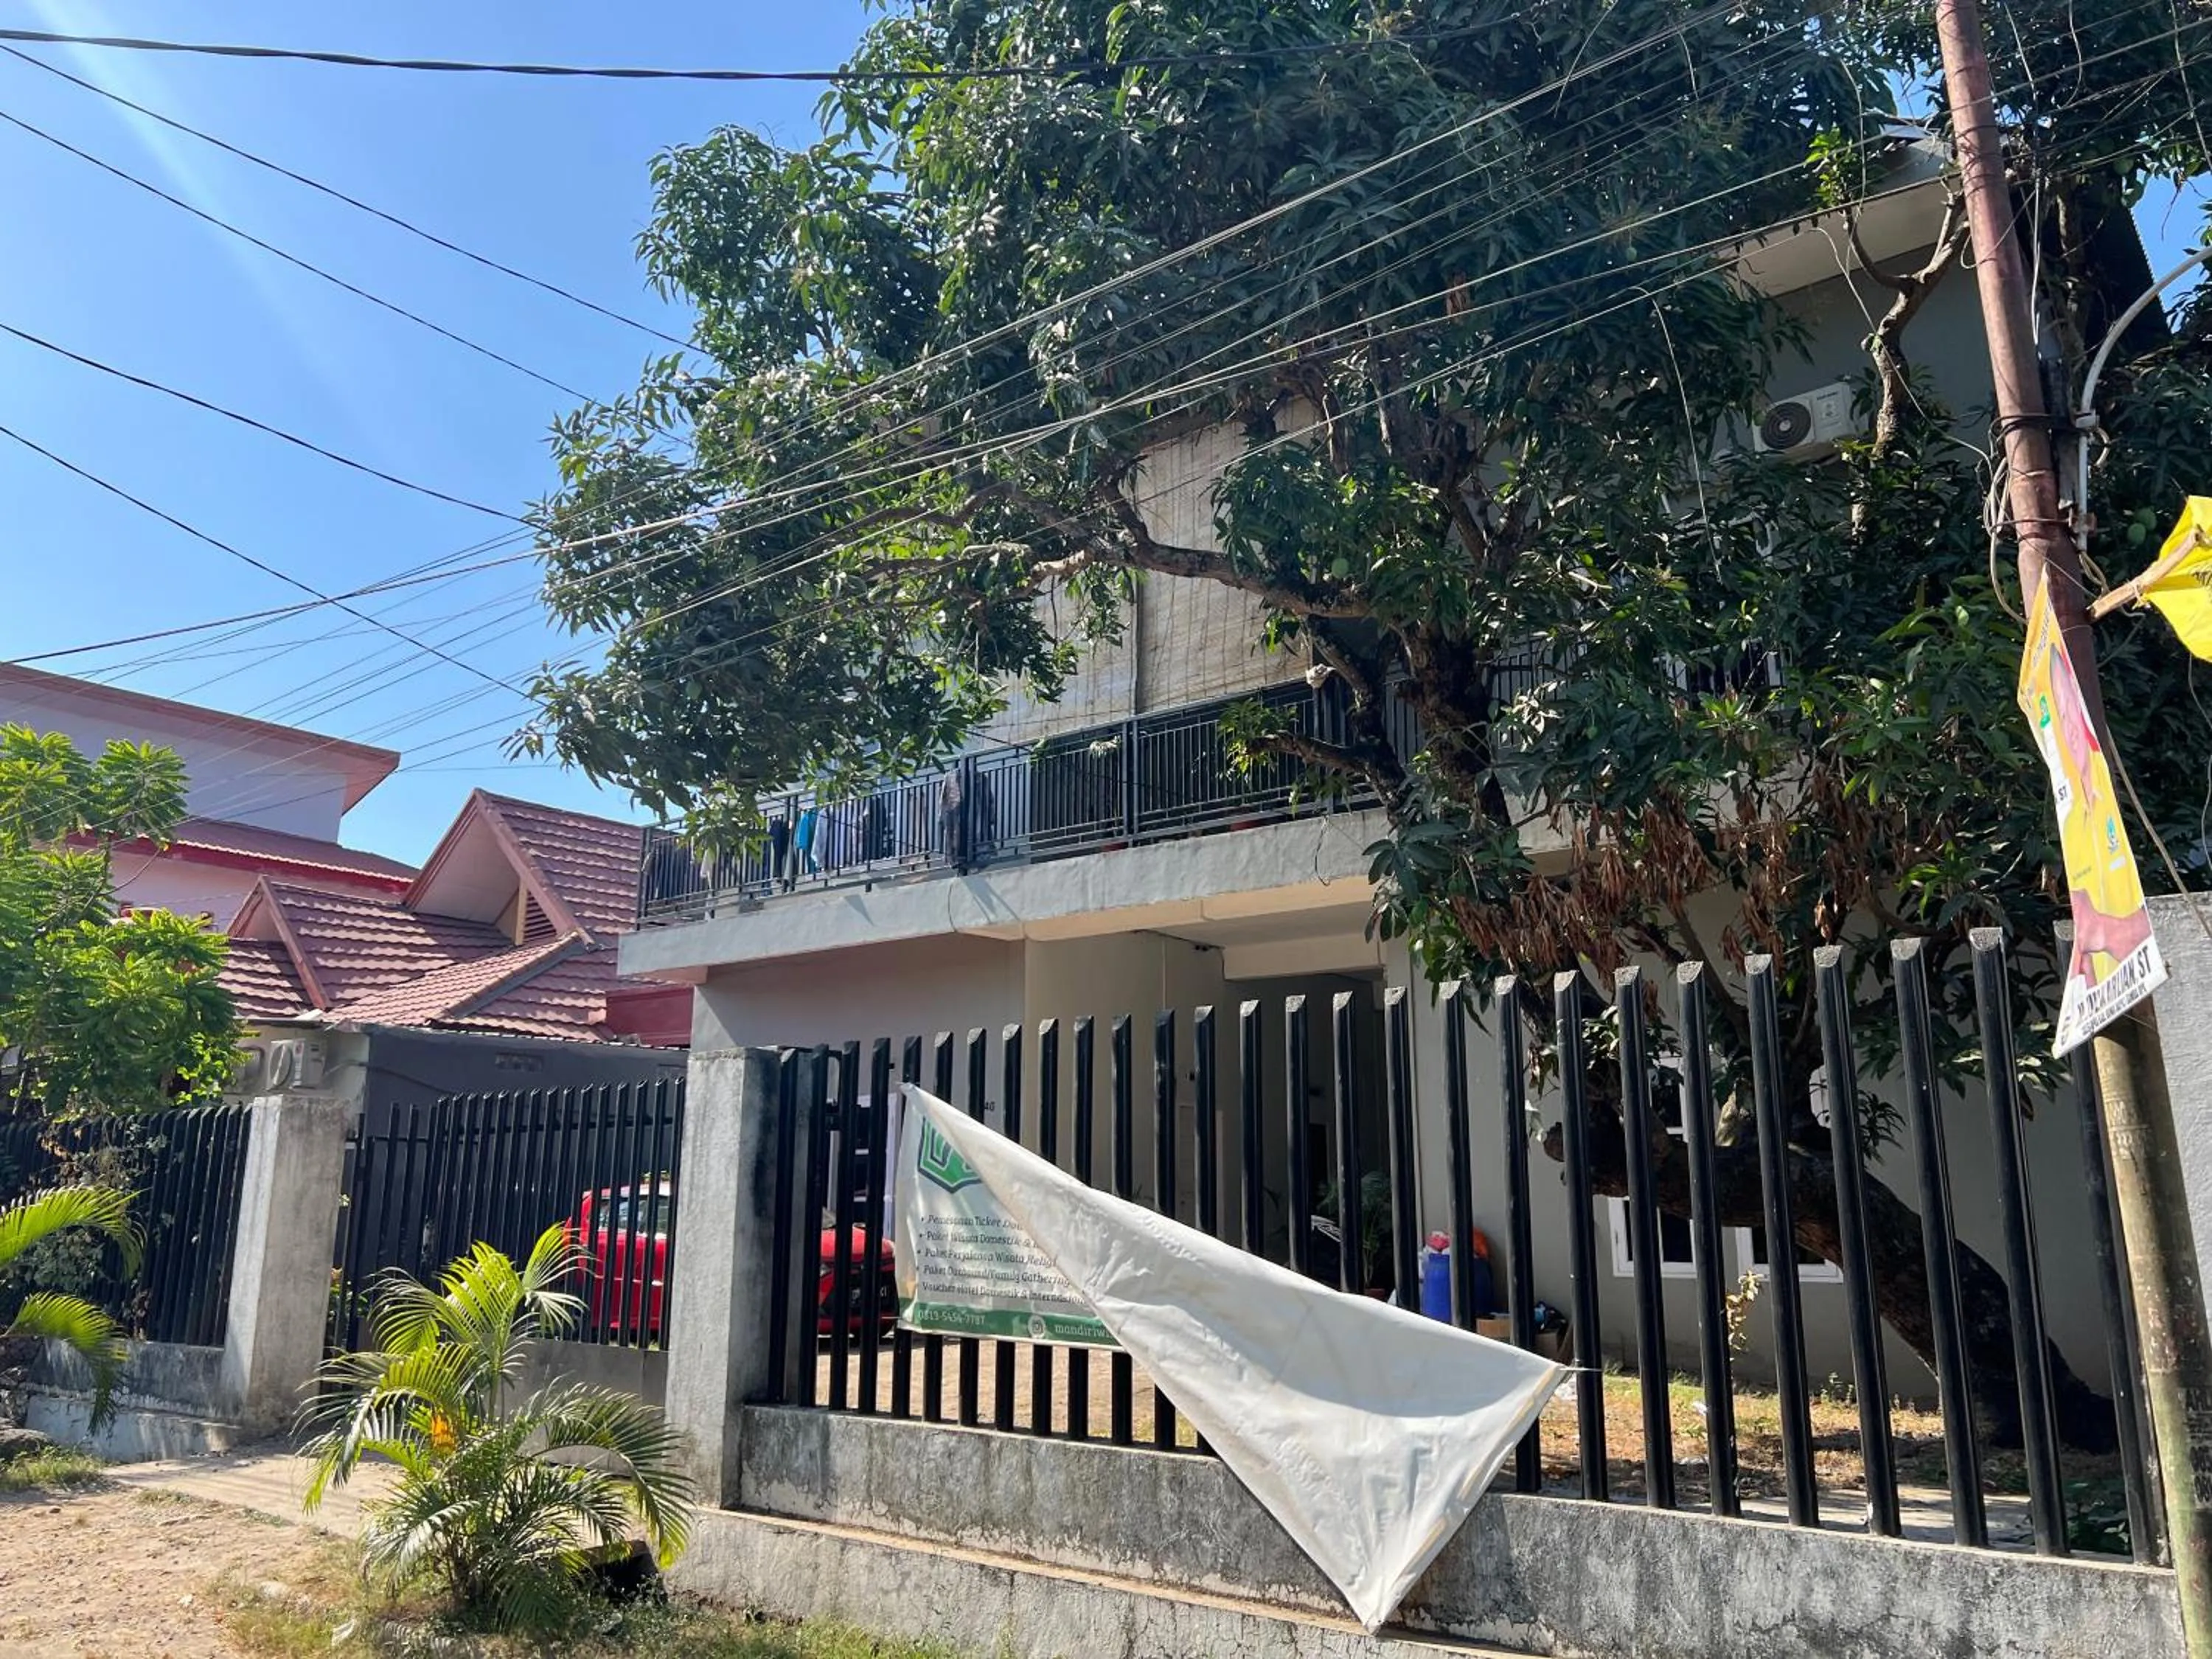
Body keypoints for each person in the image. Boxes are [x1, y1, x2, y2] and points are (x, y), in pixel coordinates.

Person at [2037, 639, 2154, 976]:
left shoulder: (2106, 793)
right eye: (2059, 716)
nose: (2068, 730)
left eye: (2069, 714)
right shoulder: (2072, 817)